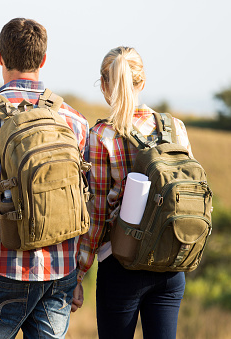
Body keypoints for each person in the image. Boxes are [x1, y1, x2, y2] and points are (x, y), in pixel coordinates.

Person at [0, 18, 89, 339]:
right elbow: (83, 203)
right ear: (43, 60)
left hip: (2, 265)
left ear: (0, 57)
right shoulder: (74, 121)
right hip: (59, 270)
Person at [76, 46, 192, 338]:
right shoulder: (175, 128)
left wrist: (79, 272)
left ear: (104, 85)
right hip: (170, 262)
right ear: (142, 81)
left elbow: (99, 214)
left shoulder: (102, 135)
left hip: (122, 265)